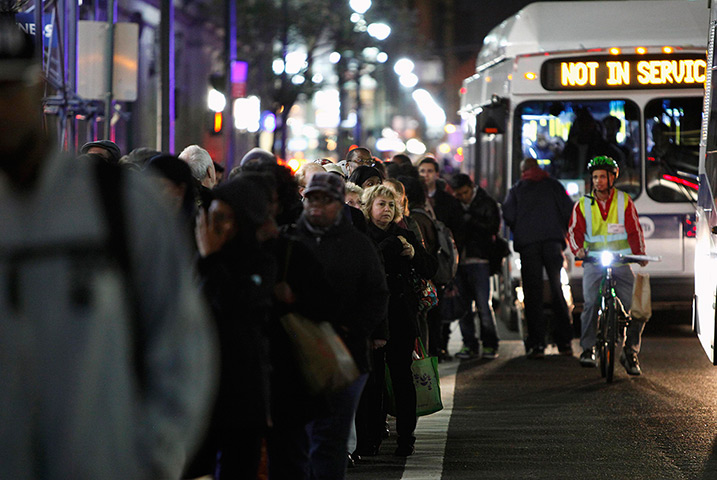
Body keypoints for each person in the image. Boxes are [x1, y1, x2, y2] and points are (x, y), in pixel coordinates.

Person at [0, 23, 217, 478]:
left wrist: (151, 457)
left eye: (6, 90)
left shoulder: (121, 205)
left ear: (38, 87)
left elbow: (181, 344)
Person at [270, 173, 389, 480]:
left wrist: (353, 329)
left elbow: (377, 295)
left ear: (340, 205)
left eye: (326, 199)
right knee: (296, 437)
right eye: (312, 198)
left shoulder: (358, 245)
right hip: (294, 353)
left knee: (330, 438)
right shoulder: (287, 240)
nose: (317, 206)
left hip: (344, 354)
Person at [192, 176, 278, 479]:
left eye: (227, 219)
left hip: (243, 388)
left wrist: (212, 261)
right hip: (199, 386)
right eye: (214, 219)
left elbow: (236, 304)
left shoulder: (261, 261)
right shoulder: (196, 259)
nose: (220, 228)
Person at [360, 184, 437, 457]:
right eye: (381, 204)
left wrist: (414, 254)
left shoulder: (404, 235)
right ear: (369, 207)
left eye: (391, 206)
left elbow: (431, 268)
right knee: (373, 380)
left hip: (401, 315)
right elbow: (369, 263)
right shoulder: (363, 235)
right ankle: (371, 436)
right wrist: (392, 247)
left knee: (403, 377)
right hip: (373, 315)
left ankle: (407, 436)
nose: (387, 210)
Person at [567, 156, 648, 375]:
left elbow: (634, 230)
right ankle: (587, 349)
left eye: (603, 176)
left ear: (612, 178)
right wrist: (579, 250)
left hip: (620, 261)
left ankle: (630, 352)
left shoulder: (624, 201)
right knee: (591, 303)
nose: (598, 181)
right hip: (593, 261)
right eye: (595, 177)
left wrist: (639, 254)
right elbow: (574, 232)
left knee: (637, 308)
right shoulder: (582, 204)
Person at [503, 158, 575, 358]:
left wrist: (521, 227)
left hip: (528, 245)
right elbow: (569, 210)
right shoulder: (553, 186)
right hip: (552, 243)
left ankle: (537, 343)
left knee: (532, 293)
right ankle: (564, 342)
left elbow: (508, 214)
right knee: (556, 289)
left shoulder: (517, 189)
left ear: (523, 171)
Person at [450, 173, 501, 360]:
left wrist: (471, 220)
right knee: (464, 306)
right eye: (458, 194)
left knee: (483, 305)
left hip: (480, 259)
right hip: (461, 261)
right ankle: (469, 343)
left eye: (464, 193)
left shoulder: (485, 202)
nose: (462, 197)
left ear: (471, 187)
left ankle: (490, 344)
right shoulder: (455, 204)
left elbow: (493, 227)